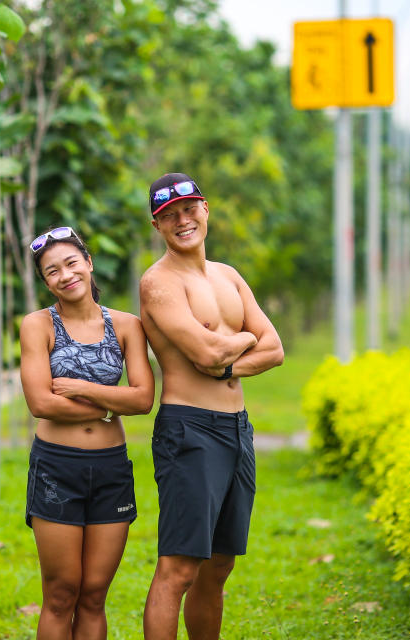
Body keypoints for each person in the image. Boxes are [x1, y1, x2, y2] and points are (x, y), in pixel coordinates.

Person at [139, 173, 284, 640]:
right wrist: (241, 341)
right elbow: (204, 353)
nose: (182, 221)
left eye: (189, 209)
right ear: (157, 226)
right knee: (179, 568)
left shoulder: (228, 276)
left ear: (206, 209)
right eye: (169, 216)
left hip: (238, 430)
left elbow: (275, 349)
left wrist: (227, 361)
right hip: (191, 431)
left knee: (219, 566)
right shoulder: (158, 283)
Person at [20, 226, 155, 640]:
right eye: (52, 271)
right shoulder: (37, 326)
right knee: (61, 593)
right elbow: (41, 403)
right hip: (57, 468)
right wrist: (113, 403)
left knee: (94, 594)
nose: (65, 275)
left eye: (71, 263)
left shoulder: (128, 325)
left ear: (88, 263)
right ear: (46, 281)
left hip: (110, 469)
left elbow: (144, 399)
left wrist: (81, 389)